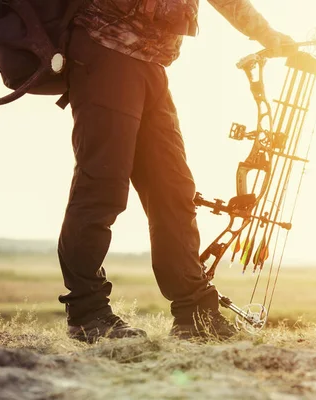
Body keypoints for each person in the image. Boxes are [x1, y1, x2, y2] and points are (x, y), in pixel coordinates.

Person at [57, 0, 295, 343]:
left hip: (152, 65)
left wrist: (267, 34)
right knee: (103, 186)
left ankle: (195, 314)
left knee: (173, 190)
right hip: (105, 50)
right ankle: (87, 313)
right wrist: (266, 34)